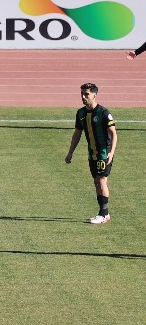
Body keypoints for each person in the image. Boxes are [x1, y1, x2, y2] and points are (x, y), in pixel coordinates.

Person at [65, 83, 118, 225]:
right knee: (96, 182)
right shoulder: (81, 113)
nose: (83, 97)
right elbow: (77, 134)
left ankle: (103, 214)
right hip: (92, 153)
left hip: (103, 153)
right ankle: (104, 213)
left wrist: (111, 153)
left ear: (94, 95)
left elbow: (113, 133)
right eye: (82, 94)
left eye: (86, 94)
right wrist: (70, 152)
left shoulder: (104, 113)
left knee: (101, 180)